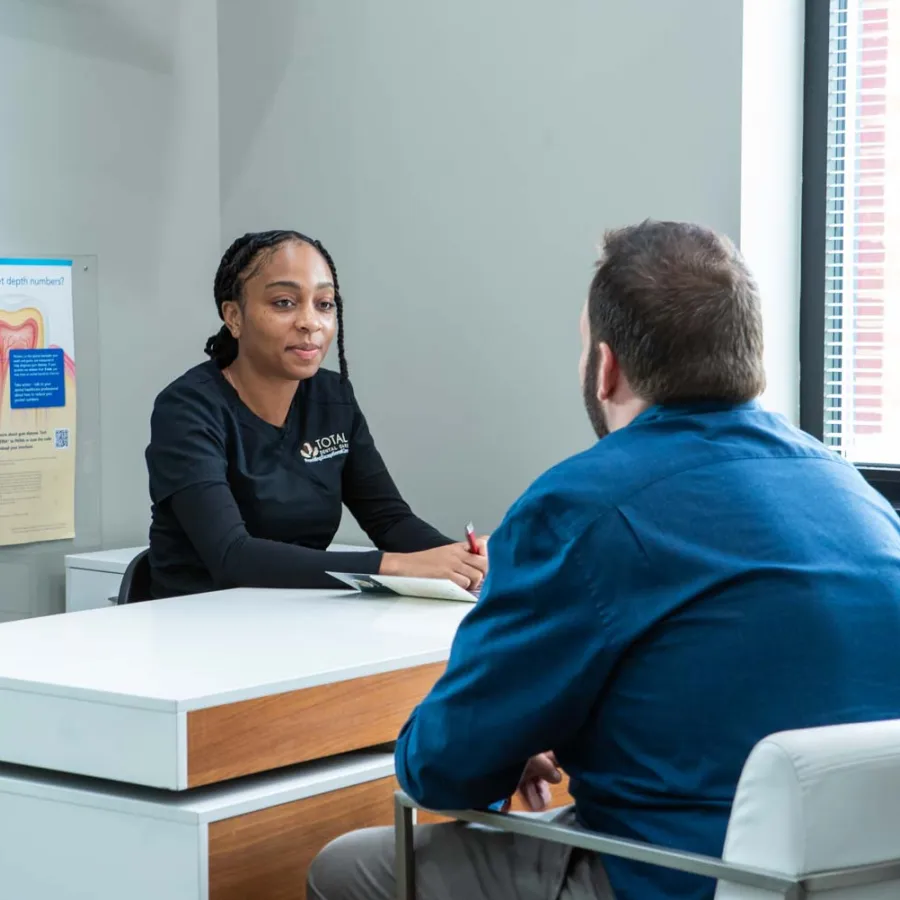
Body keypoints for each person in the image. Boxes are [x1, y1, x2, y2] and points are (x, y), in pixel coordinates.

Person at [307, 220, 900, 900]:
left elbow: (441, 770)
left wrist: (510, 744)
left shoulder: (579, 508)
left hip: (676, 879)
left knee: (349, 869)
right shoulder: (853, 493)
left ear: (606, 367)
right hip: (859, 881)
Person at [145, 230, 487, 599]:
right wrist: (396, 566)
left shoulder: (332, 396)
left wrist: (464, 561)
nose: (310, 322)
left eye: (324, 304)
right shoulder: (187, 408)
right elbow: (232, 556)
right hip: (197, 617)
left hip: (300, 614)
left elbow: (390, 521)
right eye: (284, 302)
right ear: (234, 316)